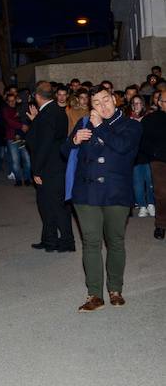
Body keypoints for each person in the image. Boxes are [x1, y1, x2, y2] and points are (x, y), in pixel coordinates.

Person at [63, 86, 142, 311]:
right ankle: (94, 294)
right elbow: (63, 150)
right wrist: (74, 141)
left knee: (115, 241)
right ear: (90, 106)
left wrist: (99, 126)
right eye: (96, 103)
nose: (102, 106)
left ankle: (115, 289)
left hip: (116, 192)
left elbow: (122, 147)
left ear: (115, 100)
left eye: (106, 100)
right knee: (91, 242)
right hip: (86, 193)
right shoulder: (83, 123)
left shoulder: (131, 126)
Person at [25, 81, 74, 253]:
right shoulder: (55, 111)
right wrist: (35, 120)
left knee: (56, 206)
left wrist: (36, 170)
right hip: (56, 164)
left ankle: (67, 241)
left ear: (37, 97)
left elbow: (43, 144)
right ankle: (49, 239)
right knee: (45, 204)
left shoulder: (47, 114)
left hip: (49, 167)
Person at [140, 91, 166, 239]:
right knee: (162, 192)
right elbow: (143, 141)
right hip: (159, 161)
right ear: (160, 103)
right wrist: (155, 153)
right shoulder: (150, 119)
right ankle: (161, 224)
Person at [128, 95, 154, 218]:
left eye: (139, 103)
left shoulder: (149, 118)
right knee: (137, 182)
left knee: (150, 180)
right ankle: (142, 205)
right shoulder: (129, 120)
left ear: (143, 105)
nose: (136, 105)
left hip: (148, 154)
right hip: (135, 155)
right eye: (134, 103)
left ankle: (151, 204)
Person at [0, 92, 31, 186]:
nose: (12, 103)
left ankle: (27, 179)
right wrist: (21, 126)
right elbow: (9, 121)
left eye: (13, 100)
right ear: (7, 102)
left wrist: (25, 126)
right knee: (15, 161)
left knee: (27, 160)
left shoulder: (22, 108)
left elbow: (28, 119)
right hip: (11, 138)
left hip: (23, 138)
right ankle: (18, 180)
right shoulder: (5, 110)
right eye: (9, 101)